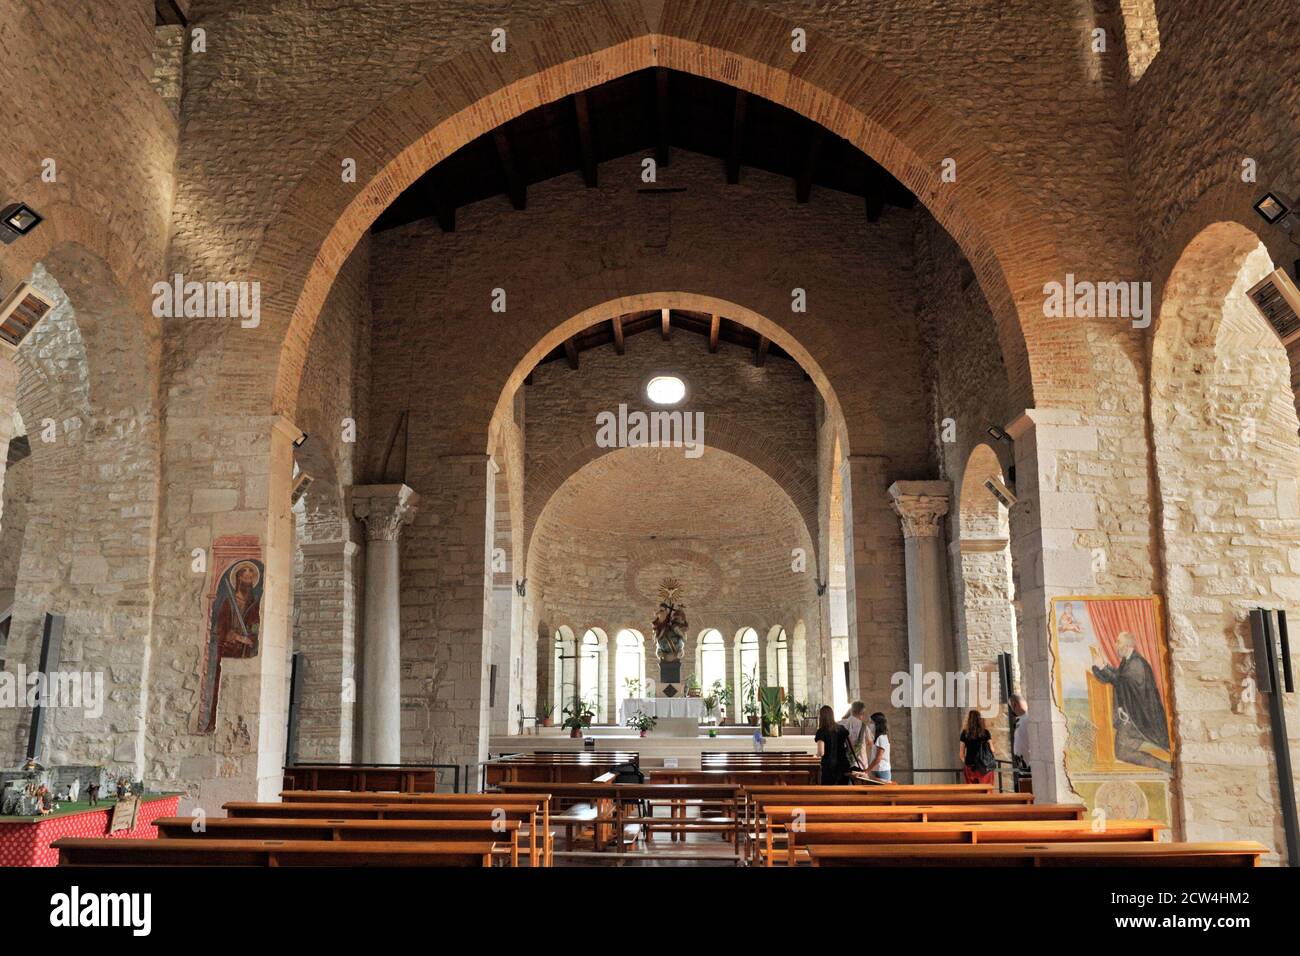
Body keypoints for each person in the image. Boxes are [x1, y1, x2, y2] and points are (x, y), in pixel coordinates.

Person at [1089, 631, 1171, 771]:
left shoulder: (1137, 664)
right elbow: (1119, 679)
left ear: (1127, 645)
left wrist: (1102, 666)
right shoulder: (1127, 661)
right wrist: (1121, 708)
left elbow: (1120, 682)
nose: (1115, 645)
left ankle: (1166, 767)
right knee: (1121, 751)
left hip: (1142, 718)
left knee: (1121, 752)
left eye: (1118, 642)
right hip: (1131, 714)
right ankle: (1166, 766)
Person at [814, 704, 851, 784]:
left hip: (829, 767)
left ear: (821, 717)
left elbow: (821, 752)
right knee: (843, 792)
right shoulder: (842, 728)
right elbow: (848, 747)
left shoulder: (821, 731)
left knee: (828, 793)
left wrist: (816, 755)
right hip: (843, 765)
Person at [959, 709, 996, 785]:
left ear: (969, 720)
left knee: (972, 793)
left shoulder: (965, 733)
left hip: (970, 767)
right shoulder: (985, 732)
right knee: (987, 792)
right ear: (980, 720)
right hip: (984, 767)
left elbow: (961, 754)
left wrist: (968, 763)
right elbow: (992, 750)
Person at [839, 700, 873, 775]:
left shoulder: (840, 724)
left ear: (851, 710)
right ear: (862, 713)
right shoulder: (864, 727)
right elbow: (871, 744)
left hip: (842, 763)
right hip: (860, 763)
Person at [866, 712, 891, 781]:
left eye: (871, 722)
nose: (869, 725)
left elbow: (878, 758)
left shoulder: (882, 737)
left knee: (882, 792)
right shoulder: (877, 738)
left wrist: (867, 770)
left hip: (882, 770)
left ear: (877, 724)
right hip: (876, 770)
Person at [1009, 693, 1031, 770]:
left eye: (1011, 706)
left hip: (1030, 763)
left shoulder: (1030, 717)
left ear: (1014, 705)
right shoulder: (1020, 719)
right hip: (1022, 762)